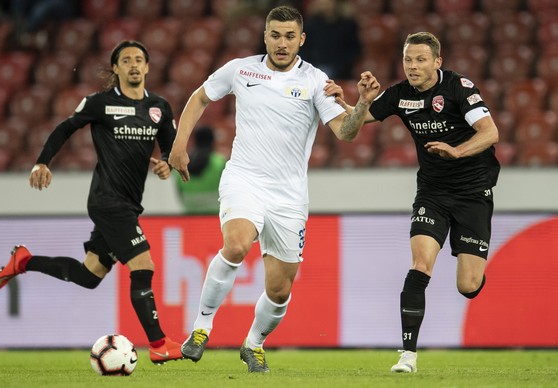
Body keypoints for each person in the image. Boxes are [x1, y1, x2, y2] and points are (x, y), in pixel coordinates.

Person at [169, 5, 379, 373]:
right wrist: (178, 145)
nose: (282, 44)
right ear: (265, 36)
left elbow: (346, 133)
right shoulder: (240, 69)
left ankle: (253, 344)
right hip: (244, 178)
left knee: (280, 290)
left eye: (289, 36)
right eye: (275, 35)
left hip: (289, 195)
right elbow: (200, 97)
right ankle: (201, 328)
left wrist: (361, 104)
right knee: (235, 245)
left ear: (302, 39)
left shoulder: (316, 80)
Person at [0, 40, 183, 365]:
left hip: (128, 203)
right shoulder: (101, 103)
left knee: (89, 275)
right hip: (108, 201)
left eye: (139, 59)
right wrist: (43, 162)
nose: (134, 65)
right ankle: (159, 343)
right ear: (116, 69)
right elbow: (65, 128)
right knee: (144, 266)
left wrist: (167, 162)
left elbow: (169, 145)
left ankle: (24, 261)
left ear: (148, 67)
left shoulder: (160, 107)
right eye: (126, 60)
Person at [333, 31, 500, 373]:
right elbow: (358, 121)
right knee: (420, 263)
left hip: (472, 192)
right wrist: (361, 99)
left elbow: (489, 132)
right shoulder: (400, 95)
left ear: (438, 62)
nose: (413, 66)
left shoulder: (459, 88)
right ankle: (407, 356)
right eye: (408, 59)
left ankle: (474, 261)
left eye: (421, 59)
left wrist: (456, 151)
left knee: (468, 287)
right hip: (433, 192)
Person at [301, 0, 361, 79]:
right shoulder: (311, 24)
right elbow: (305, 49)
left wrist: (341, 66)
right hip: (315, 66)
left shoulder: (347, 24)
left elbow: (354, 49)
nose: (325, 4)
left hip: (341, 69)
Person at [174, 126, 226, 214]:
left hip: (191, 218)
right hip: (215, 218)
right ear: (213, 141)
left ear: (194, 141)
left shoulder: (181, 164)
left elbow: (180, 193)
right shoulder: (219, 162)